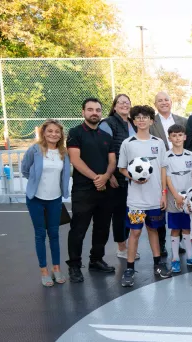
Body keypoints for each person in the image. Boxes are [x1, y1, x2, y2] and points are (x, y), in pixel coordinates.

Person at [117, 105, 170, 287]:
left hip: (155, 199)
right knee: (135, 232)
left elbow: (163, 168)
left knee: (153, 230)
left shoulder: (158, 143)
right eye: (137, 117)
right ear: (133, 121)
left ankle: (157, 264)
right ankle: (130, 268)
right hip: (136, 201)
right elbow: (122, 168)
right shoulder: (128, 143)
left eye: (145, 117)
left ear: (151, 121)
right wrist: (133, 177)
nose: (141, 120)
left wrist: (163, 194)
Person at [66, 98, 117, 283]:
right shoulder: (75, 133)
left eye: (97, 109)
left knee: (102, 228)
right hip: (83, 190)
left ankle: (96, 260)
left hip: (104, 190)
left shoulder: (106, 137)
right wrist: (96, 178)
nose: (94, 112)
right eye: (90, 109)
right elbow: (75, 160)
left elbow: (112, 161)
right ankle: (74, 265)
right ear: (83, 112)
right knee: (78, 229)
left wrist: (105, 176)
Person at [21, 119, 71, 287]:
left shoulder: (63, 152)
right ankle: (44, 270)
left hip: (55, 200)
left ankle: (56, 268)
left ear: (61, 135)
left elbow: (64, 174)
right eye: (50, 131)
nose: (53, 134)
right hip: (35, 199)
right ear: (44, 133)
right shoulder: (35, 150)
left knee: (54, 234)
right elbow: (25, 169)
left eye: (57, 132)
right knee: (40, 234)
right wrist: (35, 184)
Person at [99, 94, 141, 261]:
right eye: (120, 102)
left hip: (132, 178)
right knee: (119, 213)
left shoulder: (132, 123)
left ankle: (130, 246)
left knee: (129, 212)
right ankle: (121, 247)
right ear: (114, 107)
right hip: (116, 177)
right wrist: (109, 176)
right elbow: (102, 151)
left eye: (127, 102)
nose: (124, 105)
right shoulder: (108, 123)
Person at [164, 123, 192, 273]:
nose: (177, 138)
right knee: (175, 228)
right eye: (174, 135)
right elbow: (167, 178)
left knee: (187, 228)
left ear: (185, 137)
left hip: (189, 197)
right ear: (170, 138)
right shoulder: (166, 156)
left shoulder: (191, 155)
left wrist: (190, 196)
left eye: (180, 135)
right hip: (174, 197)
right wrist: (176, 195)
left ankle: (190, 256)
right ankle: (175, 258)